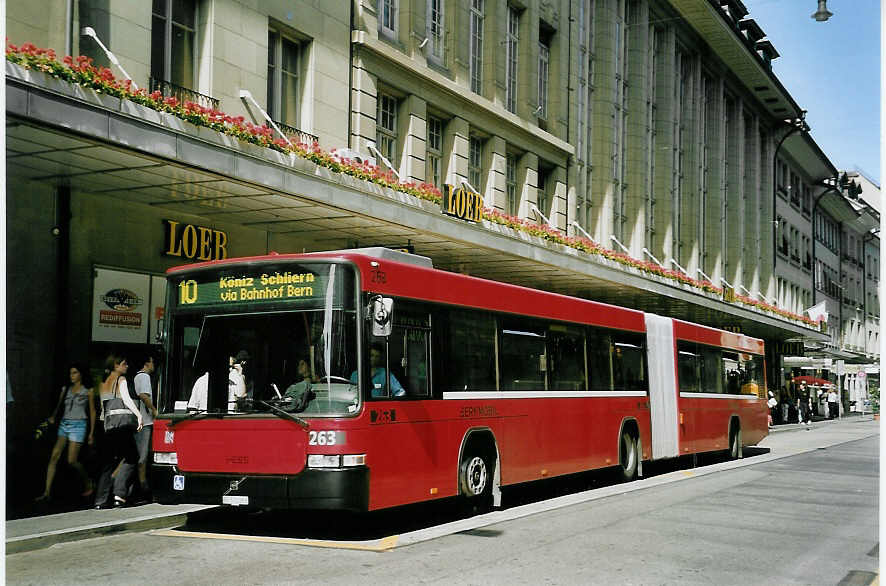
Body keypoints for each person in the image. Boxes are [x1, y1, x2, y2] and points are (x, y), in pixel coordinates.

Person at [36, 363, 96, 502]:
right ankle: (47, 492)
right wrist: (53, 417)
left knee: (72, 460)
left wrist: (91, 433)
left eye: (74, 373)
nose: (72, 376)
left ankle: (88, 481)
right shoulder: (66, 389)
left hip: (79, 424)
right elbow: (59, 406)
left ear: (80, 374)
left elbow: (92, 412)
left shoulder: (88, 391)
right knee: (54, 456)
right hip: (64, 423)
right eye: (70, 373)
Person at [93, 355, 143, 509]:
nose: (127, 366)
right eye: (124, 364)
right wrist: (138, 415)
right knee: (132, 457)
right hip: (121, 427)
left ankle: (100, 501)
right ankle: (119, 495)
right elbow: (127, 400)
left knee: (108, 463)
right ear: (116, 365)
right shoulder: (121, 380)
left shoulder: (102, 383)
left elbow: (102, 407)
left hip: (106, 427)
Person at [121, 353, 158, 504]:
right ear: (147, 363)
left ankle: (131, 490)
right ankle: (142, 491)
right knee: (142, 458)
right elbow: (143, 395)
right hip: (145, 421)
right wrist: (154, 409)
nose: (154, 364)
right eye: (152, 361)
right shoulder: (144, 377)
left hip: (138, 421)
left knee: (138, 456)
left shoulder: (136, 376)